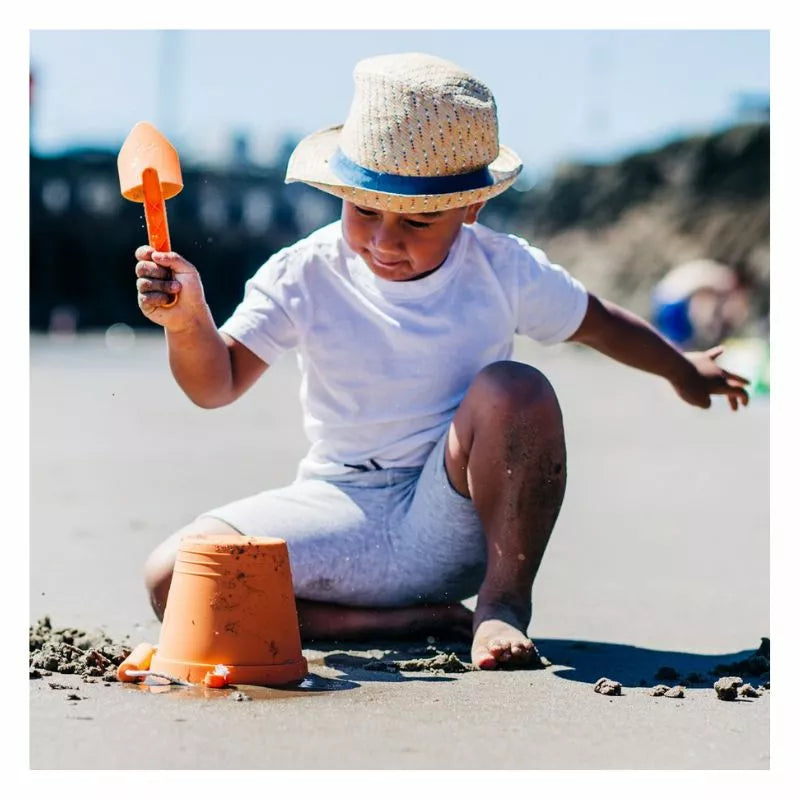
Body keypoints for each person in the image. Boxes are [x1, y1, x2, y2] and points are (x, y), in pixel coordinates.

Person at [136, 53, 749, 670]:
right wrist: (188, 321)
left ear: (469, 208)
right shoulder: (304, 271)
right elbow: (216, 384)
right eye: (365, 211)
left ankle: (503, 605)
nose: (384, 242)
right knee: (174, 577)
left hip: (451, 519)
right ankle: (397, 622)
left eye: (419, 220)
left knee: (516, 388)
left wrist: (680, 368)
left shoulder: (502, 268)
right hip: (336, 509)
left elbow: (600, 323)